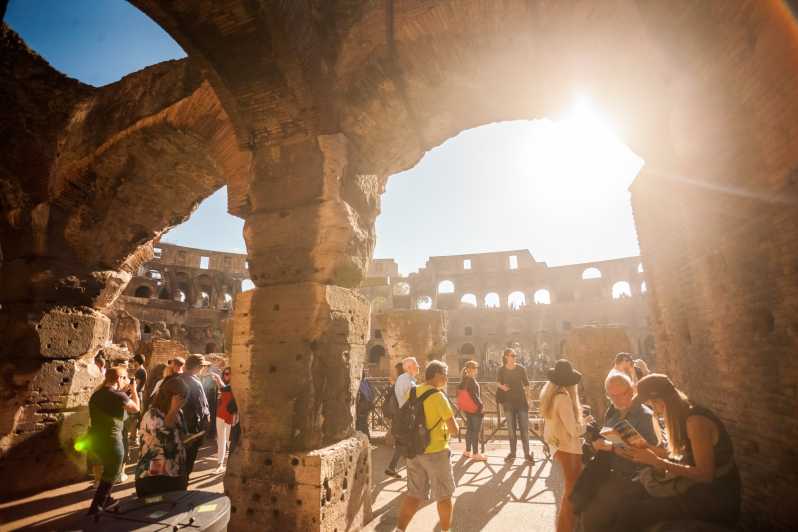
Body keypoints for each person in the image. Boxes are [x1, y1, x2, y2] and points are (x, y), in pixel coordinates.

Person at [614, 374, 741, 531]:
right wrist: (645, 448)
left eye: (653, 405)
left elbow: (705, 474)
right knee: (629, 500)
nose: (655, 411)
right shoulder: (683, 415)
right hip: (698, 490)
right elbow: (680, 455)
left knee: (637, 514)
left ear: (662, 400)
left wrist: (657, 462)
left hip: (715, 497)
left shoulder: (695, 422)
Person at [580, 371, 662, 531]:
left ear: (632, 391)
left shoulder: (646, 417)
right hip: (614, 475)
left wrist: (613, 448)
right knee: (588, 514)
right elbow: (610, 445)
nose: (616, 400)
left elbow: (655, 456)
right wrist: (599, 446)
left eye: (620, 395)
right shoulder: (613, 415)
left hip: (637, 480)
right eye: (611, 396)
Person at [396, 360, 458, 532]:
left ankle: (400, 529)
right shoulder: (438, 396)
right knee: (444, 496)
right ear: (437, 374)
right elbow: (454, 429)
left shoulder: (413, 391)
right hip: (436, 451)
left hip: (414, 450)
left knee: (413, 495)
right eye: (445, 373)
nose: (446, 377)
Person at [540, 359, 589, 532]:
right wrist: (587, 423)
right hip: (569, 449)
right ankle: (565, 528)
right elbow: (575, 431)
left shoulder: (551, 396)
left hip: (559, 447)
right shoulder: (563, 398)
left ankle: (568, 526)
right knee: (570, 492)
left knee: (570, 490)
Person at [86, 366, 140, 515]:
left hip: (96, 440)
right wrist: (134, 390)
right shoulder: (118, 396)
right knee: (112, 473)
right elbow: (136, 409)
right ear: (119, 379)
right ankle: (97, 507)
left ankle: (108, 500)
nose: (127, 381)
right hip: (112, 441)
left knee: (106, 472)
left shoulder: (97, 395)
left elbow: (111, 400)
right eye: (125, 378)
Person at [135, 372, 189, 496]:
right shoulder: (152, 415)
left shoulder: (178, 413)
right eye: (182, 397)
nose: (185, 400)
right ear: (171, 396)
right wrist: (174, 410)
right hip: (154, 476)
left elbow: (178, 436)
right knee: (154, 511)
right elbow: (164, 437)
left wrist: (187, 438)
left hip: (176, 473)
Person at [175, 354, 211, 477]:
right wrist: (205, 426)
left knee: (176, 461)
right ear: (197, 367)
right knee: (187, 463)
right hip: (190, 429)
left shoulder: (176, 379)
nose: (202, 369)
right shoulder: (195, 383)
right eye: (202, 367)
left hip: (174, 426)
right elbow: (202, 409)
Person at [497, 348, 534, 463]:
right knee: (511, 430)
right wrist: (502, 387)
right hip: (508, 403)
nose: (514, 357)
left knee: (524, 430)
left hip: (522, 403)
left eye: (515, 355)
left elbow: (527, 385)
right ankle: (512, 454)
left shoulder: (520, 368)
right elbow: (498, 382)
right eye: (512, 355)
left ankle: (527, 454)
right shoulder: (501, 370)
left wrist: (529, 399)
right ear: (506, 357)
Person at [458, 360, 486, 461]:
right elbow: (475, 397)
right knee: (476, 431)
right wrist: (481, 407)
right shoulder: (472, 381)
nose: (476, 370)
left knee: (469, 429)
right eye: (475, 368)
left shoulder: (463, 380)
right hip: (475, 410)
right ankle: (476, 453)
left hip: (467, 409)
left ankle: (467, 451)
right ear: (470, 369)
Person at [385, 361, 408, 479]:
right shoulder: (403, 384)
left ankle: (392, 467)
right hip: (403, 420)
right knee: (404, 445)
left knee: (401, 445)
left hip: (396, 420)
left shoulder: (395, 384)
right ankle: (393, 467)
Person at [215, 367, 236, 474]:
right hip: (220, 415)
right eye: (224, 374)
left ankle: (231, 464)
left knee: (229, 441)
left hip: (229, 416)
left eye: (228, 374)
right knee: (221, 440)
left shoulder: (234, 385)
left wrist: (218, 380)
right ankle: (220, 463)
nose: (226, 376)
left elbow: (225, 389)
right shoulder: (226, 386)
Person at [355, 368, 376, 439]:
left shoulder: (362, 382)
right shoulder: (366, 382)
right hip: (367, 404)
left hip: (363, 405)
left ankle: (365, 439)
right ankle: (367, 439)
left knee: (361, 422)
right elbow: (372, 394)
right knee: (363, 422)